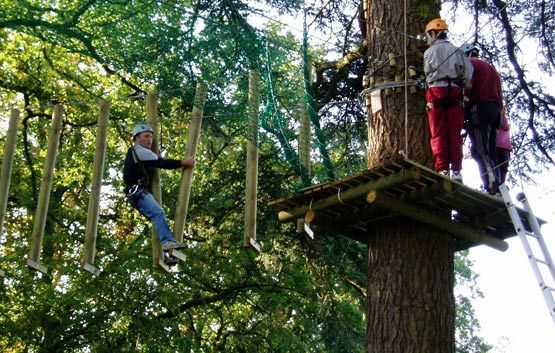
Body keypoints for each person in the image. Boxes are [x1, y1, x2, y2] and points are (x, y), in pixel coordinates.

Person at [123, 123, 195, 252]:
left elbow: (153, 165)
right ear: (136, 138)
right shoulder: (137, 150)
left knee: (157, 218)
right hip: (137, 192)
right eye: (146, 136)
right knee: (158, 213)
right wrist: (183, 163)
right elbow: (162, 164)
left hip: (140, 192)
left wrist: (158, 158)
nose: (149, 139)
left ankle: (168, 254)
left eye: (150, 137)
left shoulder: (141, 156)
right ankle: (167, 242)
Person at [423, 18, 474, 182]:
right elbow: (468, 74)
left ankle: (443, 168)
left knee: (438, 132)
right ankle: (457, 170)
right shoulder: (458, 51)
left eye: (428, 35)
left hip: (436, 91)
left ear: (433, 33)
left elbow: (427, 73)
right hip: (455, 91)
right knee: (454, 132)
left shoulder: (429, 52)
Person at [462, 44, 503, 194]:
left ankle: (493, 185)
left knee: (480, 150)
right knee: (490, 150)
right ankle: (497, 183)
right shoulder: (491, 69)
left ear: (466, 55)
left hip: (480, 109)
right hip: (496, 111)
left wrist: (460, 96)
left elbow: (468, 86)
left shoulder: (471, 64)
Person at [496, 110, 511, 184]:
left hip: (502, 148)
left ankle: (500, 186)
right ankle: (498, 186)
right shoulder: (502, 118)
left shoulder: (502, 118)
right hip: (501, 148)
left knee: (502, 168)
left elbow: (505, 126)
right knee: (501, 168)